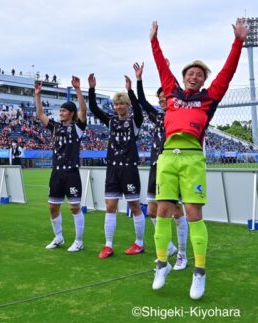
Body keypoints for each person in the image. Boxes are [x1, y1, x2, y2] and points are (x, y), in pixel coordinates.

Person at [149, 19, 249, 300]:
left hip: (193, 159)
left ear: (204, 80)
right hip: (167, 158)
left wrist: (238, 42)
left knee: (193, 213)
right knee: (162, 211)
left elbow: (227, 74)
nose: (194, 77)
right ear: (183, 77)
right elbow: (161, 67)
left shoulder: (209, 98)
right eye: (190, 73)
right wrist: (154, 41)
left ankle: (199, 272)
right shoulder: (171, 93)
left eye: (199, 75)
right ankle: (161, 265)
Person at [133, 61, 188, 270]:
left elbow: (177, 90)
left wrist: (167, 71)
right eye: (160, 97)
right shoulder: (157, 116)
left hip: (174, 166)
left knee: (176, 211)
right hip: (157, 166)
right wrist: (139, 79)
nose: (162, 100)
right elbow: (141, 101)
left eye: (165, 96)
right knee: (152, 211)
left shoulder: (179, 114)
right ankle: (169, 248)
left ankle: (182, 255)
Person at [88, 73, 145, 259]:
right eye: (117, 104)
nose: (119, 106)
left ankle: (139, 243)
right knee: (110, 206)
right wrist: (91, 89)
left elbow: (138, 110)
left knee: (134, 205)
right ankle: (108, 245)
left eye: (122, 103)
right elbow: (95, 109)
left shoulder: (135, 122)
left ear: (127, 105)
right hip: (113, 169)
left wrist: (131, 89)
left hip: (129, 169)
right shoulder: (111, 121)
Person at [36, 76, 87, 252]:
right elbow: (41, 115)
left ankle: (79, 241)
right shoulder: (56, 127)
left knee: (74, 208)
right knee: (52, 207)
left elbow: (83, 110)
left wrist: (78, 90)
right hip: (56, 173)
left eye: (64, 110)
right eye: (61, 110)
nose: (61, 112)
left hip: (72, 173)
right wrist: (38, 95)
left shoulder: (78, 128)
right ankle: (58, 237)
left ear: (71, 113)